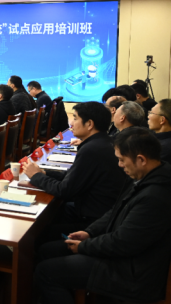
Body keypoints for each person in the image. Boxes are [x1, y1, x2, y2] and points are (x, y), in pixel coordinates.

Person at [35, 127, 171, 304]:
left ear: (141, 160)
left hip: (132, 272)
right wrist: (89, 232)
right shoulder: (145, 176)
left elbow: (122, 243)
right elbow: (115, 210)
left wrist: (84, 247)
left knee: (45, 272)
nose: (119, 165)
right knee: (47, 250)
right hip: (122, 254)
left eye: (122, 160)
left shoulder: (156, 196)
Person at [23, 102, 127, 237]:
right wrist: (45, 173)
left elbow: (64, 190)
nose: (71, 123)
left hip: (94, 220)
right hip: (98, 210)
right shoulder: (104, 142)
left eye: (75, 118)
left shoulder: (92, 150)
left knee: (41, 232)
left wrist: (36, 176)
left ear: (89, 124)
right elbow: (73, 176)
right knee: (54, 213)